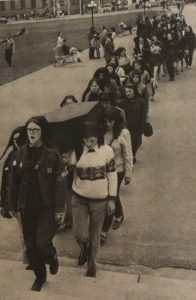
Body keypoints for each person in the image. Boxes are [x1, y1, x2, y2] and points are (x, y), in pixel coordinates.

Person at [8, 116, 66, 291]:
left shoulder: (52, 154)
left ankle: (52, 256)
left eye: (35, 130)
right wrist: (11, 206)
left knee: (42, 243)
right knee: (30, 246)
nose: (31, 133)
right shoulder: (20, 153)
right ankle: (40, 277)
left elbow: (60, 184)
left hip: (46, 208)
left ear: (43, 132)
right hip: (26, 206)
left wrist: (59, 210)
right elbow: (13, 182)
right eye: (29, 130)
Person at [70, 122, 117, 277]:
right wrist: (67, 163)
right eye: (86, 140)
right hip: (79, 198)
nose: (89, 143)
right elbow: (67, 169)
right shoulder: (76, 151)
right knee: (79, 233)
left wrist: (112, 199)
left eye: (92, 140)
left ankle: (92, 268)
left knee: (95, 235)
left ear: (98, 137)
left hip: (100, 200)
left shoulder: (107, 151)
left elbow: (112, 175)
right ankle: (84, 247)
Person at [101, 107, 132, 242]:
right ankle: (118, 213)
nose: (108, 123)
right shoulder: (101, 131)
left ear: (116, 121)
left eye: (110, 121)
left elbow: (128, 153)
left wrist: (128, 173)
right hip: (103, 169)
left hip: (118, 170)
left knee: (112, 194)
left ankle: (105, 228)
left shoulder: (123, 133)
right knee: (110, 194)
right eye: (106, 121)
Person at [119, 85, 147, 164]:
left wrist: (142, 127)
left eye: (130, 91)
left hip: (137, 127)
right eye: (126, 91)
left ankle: (133, 155)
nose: (128, 93)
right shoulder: (122, 102)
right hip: (126, 126)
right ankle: (129, 157)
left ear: (134, 91)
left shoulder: (141, 102)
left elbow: (143, 115)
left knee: (136, 142)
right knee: (127, 142)